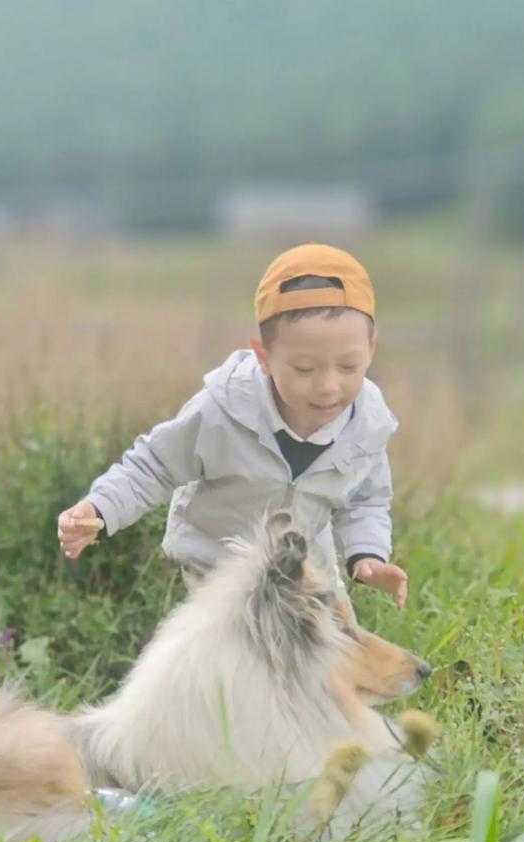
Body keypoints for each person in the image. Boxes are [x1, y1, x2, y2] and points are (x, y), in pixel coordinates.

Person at [57, 242, 408, 608]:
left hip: (305, 571)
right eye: (305, 369)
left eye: (349, 367)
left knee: (336, 647)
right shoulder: (221, 413)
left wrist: (367, 555)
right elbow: (153, 467)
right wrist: (98, 509)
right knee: (235, 653)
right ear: (264, 358)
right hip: (216, 569)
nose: (328, 387)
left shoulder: (368, 424)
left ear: (371, 348)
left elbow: (365, 499)